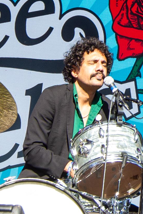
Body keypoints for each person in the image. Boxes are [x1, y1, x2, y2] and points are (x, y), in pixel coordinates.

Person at [21, 36, 113, 181]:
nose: (100, 68)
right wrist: (67, 166)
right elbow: (32, 149)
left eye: (104, 64)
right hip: (44, 182)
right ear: (75, 71)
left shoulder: (109, 107)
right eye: (93, 62)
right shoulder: (53, 97)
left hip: (85, 190)